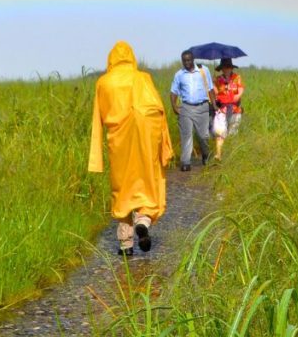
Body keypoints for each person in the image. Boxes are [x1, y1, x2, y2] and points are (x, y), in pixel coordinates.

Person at [89, 41, 173, 256]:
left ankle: (126, 245)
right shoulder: (143, 78)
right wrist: (164, 143)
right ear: (132, 57)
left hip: (119, 141)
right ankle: (143, 220)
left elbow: (97, 119)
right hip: (147, 137)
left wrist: (95, 156)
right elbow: (159, 110)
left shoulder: (103, 82)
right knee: (148, 181)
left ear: (111, 59)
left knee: (123, 187)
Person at [169, 50, 216, 172]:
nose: (187, 62)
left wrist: (214, 105)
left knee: (203, 135)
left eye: (189, 60)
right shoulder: (179, 74)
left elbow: (210, 89)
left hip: (202, 107)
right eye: (184, 60)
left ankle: (206, 154)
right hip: (186, 108)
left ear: (193, 59)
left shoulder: (203, 70)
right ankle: (185, 162)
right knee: (186, 135)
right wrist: (174, 106)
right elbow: (173, 92)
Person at [211, 57, 244, 161]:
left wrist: (238, 96)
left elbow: (241, 89)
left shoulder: (237, 77)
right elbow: (214, 93)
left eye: (228, 67)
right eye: (224, 67)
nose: (226, 69)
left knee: (232, 133)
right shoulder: (217, 79)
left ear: (231, 67)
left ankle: (231, 156)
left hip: (234, 109)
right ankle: (218, 155)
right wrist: (212, 84)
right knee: (220, 132)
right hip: (222, 109)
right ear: (221, 68)